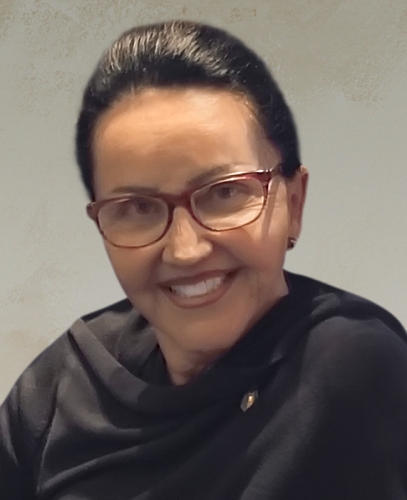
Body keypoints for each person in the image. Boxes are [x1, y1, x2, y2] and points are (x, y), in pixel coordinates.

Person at [1, 20, 407, 500]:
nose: (185, 249)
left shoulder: (354, 373)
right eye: (137, 207)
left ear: (294, 203)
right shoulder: (63, 388)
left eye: (224, 193)